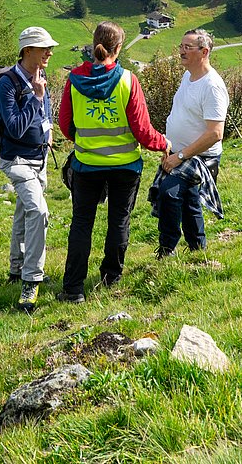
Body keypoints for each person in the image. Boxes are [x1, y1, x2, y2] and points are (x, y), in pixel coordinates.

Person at [56, 21, 170, 303]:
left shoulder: (74, 80)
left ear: (93, 43)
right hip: (125, 166)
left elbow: (64, 124)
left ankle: (73, 289)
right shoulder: (127, 80)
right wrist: (164, 144)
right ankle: (111, 278)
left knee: (82, 223)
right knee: (119, 220)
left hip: (86, 165)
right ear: (118, 49)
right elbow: (143, 132)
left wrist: (83, 138)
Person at [0, 25, 57, 313]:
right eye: (44, 47)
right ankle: (31, 281)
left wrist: (50, 134)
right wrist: (36, 98)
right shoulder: (7, 83)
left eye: (50, 47)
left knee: (24, 210)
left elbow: (46, 117)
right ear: (27, 50)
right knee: (38, 211)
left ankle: (16, 267)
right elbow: (16, 128)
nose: (50, 52)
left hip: (40, 159)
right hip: (16, 160)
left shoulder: (41, 76)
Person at [155, 28, 228, 256]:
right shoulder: (188, 75)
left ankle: (167, 249)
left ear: (204, 51)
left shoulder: (212, 86)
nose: (181, 52)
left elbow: (215, 133)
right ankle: (198, 249)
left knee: (169, 194)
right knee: (189, 201)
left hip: (198, 157)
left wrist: (181, 156)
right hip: (177, 152)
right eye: (181, 46)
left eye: (188, 47)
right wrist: (169, 147)